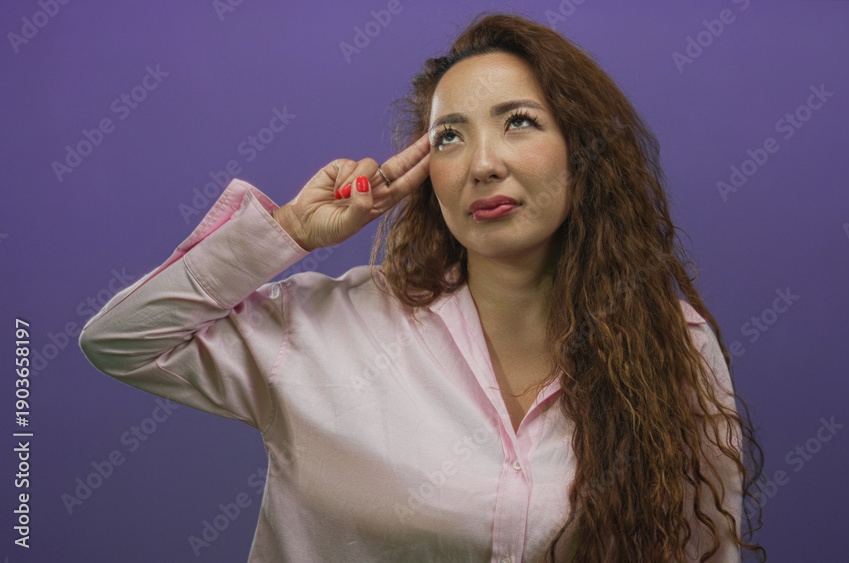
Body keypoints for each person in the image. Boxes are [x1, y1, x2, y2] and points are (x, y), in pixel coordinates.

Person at [80, 12, 764, 563]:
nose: (483, 164)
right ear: (425, 175)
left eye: (518, 122)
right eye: (450, 137)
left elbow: (705, 550)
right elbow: (121, 340)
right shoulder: (327, 327)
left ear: (584, 153)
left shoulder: (674, 345)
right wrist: (290, 230)